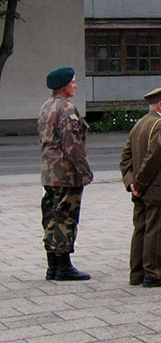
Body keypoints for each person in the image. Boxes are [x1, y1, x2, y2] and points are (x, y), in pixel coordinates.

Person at [119, 84, 161, 287]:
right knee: (157, 230)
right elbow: (155, 157)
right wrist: (141, 183)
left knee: (141, 230)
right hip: (155, 187)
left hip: (140, 189)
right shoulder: (160, 125)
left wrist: (131, 183)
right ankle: (154, 273)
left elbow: (125, 158)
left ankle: (137, 273)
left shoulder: (140, 124)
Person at [38, 66, 93, 281]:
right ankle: (63, 267)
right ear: (63, 85)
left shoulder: (45, 107)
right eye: (73, 82)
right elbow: (72, 144)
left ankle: (52, 265)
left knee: (51, 216)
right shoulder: (66, 109)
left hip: (49, 172)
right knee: (66, 217)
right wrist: (84, 171)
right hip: (66, 173)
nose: (76, 86)